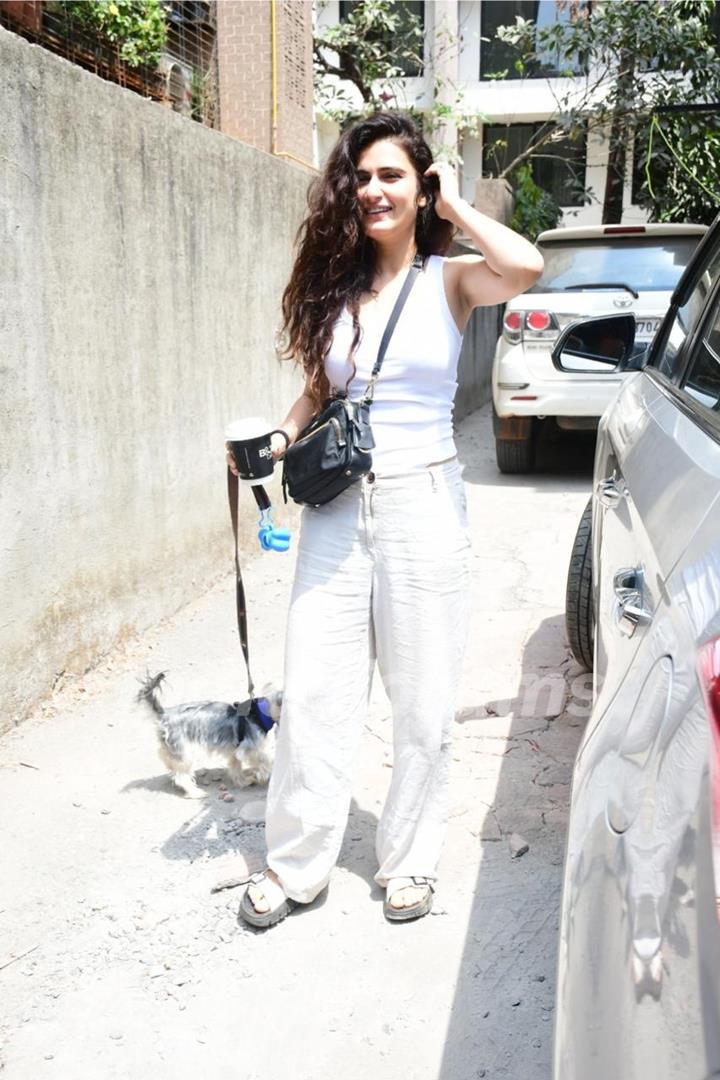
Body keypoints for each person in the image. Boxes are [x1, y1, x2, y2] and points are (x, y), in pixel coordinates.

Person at [229, 111, 543, 928]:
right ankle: (298, 864)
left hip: (423, 503)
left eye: (392, 175)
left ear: (421, 185)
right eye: (362, 177)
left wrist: (455, 209)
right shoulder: (338, 289)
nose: (373, 190)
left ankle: (409, 860)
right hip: (337, 512)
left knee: (422, 698)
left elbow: (528, 266)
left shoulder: (452, 280)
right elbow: (320, 390)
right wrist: (278, 435)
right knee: (319, 695)